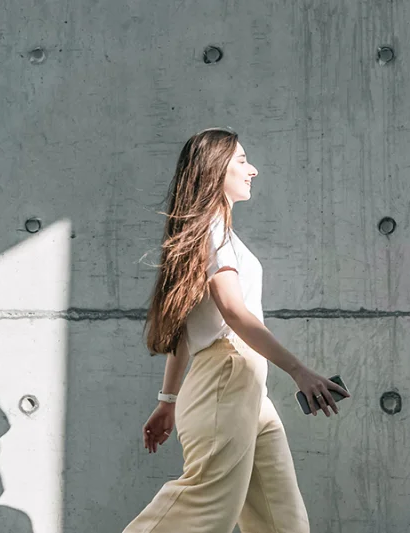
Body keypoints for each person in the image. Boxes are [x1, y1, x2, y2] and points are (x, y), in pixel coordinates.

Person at [125, 128, 350, 533]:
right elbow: (232, 311)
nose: (253, 170)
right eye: (242, 161)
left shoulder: (211, 232)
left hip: (242, 388)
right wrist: (298, 370)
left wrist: (168, 400)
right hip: (226, 377)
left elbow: (183, 330)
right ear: (215, 170)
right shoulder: (213, 231)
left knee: (282, 520)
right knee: (206, 509)